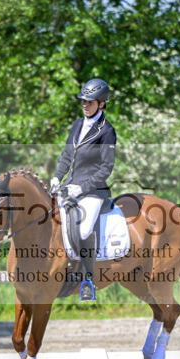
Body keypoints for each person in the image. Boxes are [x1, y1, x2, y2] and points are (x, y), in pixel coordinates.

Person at [50, 78, 116, 301]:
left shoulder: (107, 131)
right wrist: (57, 177)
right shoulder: (78, 124)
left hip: (94, 191)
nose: (85, 105)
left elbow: (106, 168)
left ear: (101, 104)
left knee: (85, 229)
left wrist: (83, 187)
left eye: (90, 102)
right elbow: (67, 154)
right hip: (70, 186)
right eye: (83, 101)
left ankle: (87, 280)